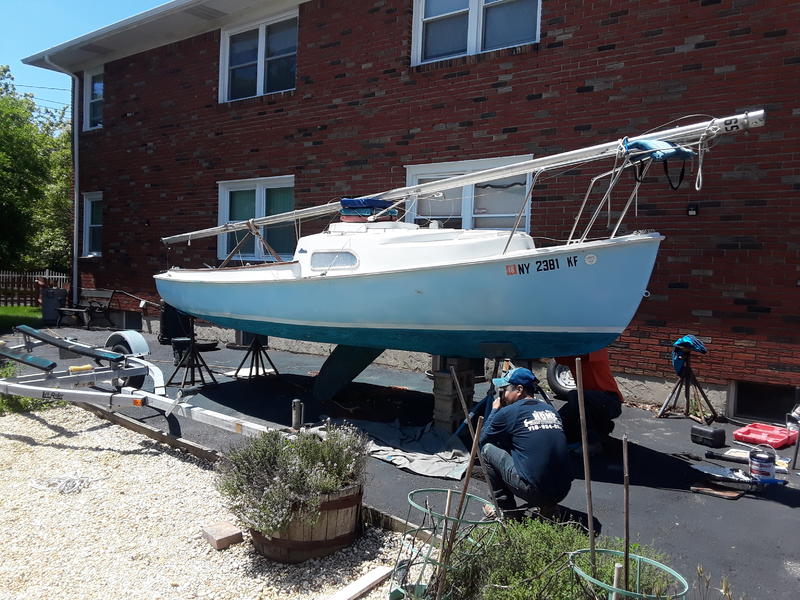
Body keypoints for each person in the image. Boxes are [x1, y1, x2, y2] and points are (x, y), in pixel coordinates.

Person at [479, 367, 573, 520]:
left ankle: (505, 510)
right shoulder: (550, 410)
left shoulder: (509, 412)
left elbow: (482, 438)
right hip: (562, 490)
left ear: (519, 389)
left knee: (487, 450)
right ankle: (549, 507)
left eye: (504, 390)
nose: (502, 395)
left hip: (534, 491)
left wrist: (495, 410)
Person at [554, 349, 623, 449]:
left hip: (610, 401)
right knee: (557, 420)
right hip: (588, 400)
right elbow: (559, 357)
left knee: (575, 396)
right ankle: (601, 431)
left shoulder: (598, 348)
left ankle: (593, 442)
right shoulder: (570, 356)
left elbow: (585, 352)